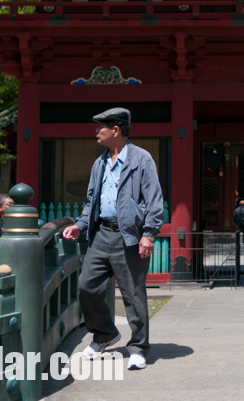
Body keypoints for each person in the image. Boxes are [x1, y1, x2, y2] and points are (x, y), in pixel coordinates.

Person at [62, 108, 164, 371]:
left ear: (116, 130)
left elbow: (154, 199)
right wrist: (80, 225)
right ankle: (105, 334)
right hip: (101, 234)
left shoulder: (142, 159)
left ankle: (139, 347)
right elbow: (91, 201)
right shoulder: (100, 162)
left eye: (101, 127)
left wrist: (149, 234)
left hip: (129, 236)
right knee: (87, 286)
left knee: (133, 294)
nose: (97, 132)